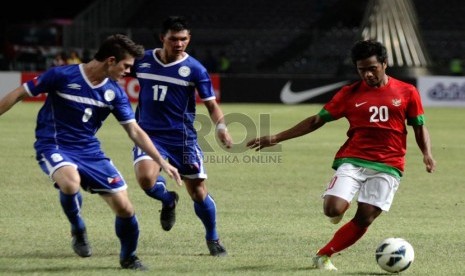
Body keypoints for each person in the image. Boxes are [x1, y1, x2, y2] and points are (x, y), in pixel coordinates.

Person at [247, 39, 436, 271]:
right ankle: (339, 206)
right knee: (332, 210)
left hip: (389, 164)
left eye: (372, 68)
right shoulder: (349, 93)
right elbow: (317, 120)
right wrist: (276, 138)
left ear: (385, 64)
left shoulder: (407, 92)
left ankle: (323, 255)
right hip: (354, 160)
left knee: (365, 217)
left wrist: (427, 153)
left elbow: (419, 126)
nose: (367, 74)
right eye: (361, 70)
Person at [0, 34, 182, 270]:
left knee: (125, 208)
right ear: (110, 60)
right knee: (70, 182)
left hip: (89, 151)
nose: (128, 72)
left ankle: (129, 257)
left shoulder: (115, 94)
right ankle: (78, 228)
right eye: (126, 66)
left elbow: (135, 131)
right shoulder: (62, 75)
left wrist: (161, 161)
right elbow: (18, 93)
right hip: (54, 144)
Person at [132, 16, 233, 257]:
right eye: (174, 39)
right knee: (146, 180)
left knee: (198, 191)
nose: (179, 44)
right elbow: (114, 73)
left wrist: (222, 128)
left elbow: (211, 105)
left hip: (182, 138)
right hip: (148, 134)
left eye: (183, 39)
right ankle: (168, 199)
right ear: (162, 38)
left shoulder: (195, 69)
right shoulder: (142, 60)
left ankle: (213, 238)